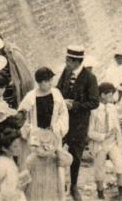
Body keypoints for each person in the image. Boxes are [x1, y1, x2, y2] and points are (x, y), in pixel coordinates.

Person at [18, 67, 71, 201]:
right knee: (36, 167)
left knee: (55, 167)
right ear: (39, 82)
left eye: (50, 80)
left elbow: (63, 113)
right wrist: (29, 129)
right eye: (46, 81)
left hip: (53, 136)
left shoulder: (56, 93)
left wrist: (57, 127)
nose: (50, 83)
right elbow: (21, 116)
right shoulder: (31, 96)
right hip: (36, 138)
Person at [56, 45, 100, 200]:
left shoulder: (89, 78)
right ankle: (58, 184)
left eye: (68, 60)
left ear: (76, 61)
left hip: (79, 124)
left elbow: (94, 102)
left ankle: (73, 185)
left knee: (75, 154)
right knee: (56, 149)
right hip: (62, 121)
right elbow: (58, 89)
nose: (66, 62)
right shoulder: (66, 72)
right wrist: (61, 101)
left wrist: (74, 105)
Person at [89, 83, 122, 199]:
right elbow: (90, 132)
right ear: (102, 95)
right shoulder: (94, 111)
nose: (112, 98)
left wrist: (120, 141)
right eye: (110, 96)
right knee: (99, 169)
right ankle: (100, 194)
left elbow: (117, 127)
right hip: (99, 143)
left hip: (112, 142)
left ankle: (121, 193)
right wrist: (103, 136)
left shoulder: (112, 109)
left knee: (119, 165)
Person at [0, 127, 30, 201]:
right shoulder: (1, 163)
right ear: (4, 149)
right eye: (15, 146)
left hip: (15, 194)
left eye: (19, 145)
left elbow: (11, 177)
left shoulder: (10, 158)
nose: (19, 148)